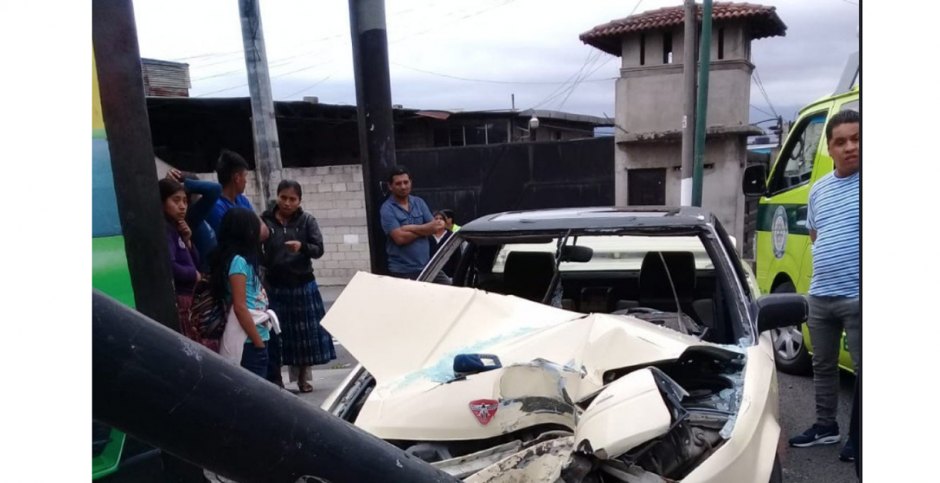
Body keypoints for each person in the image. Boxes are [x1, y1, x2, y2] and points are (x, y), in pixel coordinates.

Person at [788, 110, 860, 463]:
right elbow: (817, 237)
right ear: (829, 149)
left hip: (859, 295)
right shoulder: (819, 190)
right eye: (841, 141)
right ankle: (825, 426)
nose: (850, 147)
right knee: (823, 365)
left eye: (857, 139)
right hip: (821, 293)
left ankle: (861, 438)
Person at [261, 180, 335, 393]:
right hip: (274, 286)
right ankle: (276, 379)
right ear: (277, 197)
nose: (287, 203)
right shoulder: (265, 221)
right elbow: (257, 247)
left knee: (304, 336)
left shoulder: (307, 221)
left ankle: (302, 379)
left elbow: (318, 249)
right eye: (283, 197)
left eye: (292, 199)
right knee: (275, 335)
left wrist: (302, 247)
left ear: (299, 201)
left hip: (302, 284)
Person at [209, 207, 273, 378]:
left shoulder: (242, 259)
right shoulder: (238, 262)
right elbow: (240, 307)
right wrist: (259, 343)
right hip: (249, 340)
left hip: (256, 335)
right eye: (253, 227)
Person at [379, 166, 446, 280]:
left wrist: (411, 227)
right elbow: (400, 238)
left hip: (427, 267)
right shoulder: (387, 209)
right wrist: (425, 229)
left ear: (411, 182)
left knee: (451, 288)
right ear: (390, 186)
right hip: (403, 272)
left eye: (406, 182)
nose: (403, 186)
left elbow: (435, 227)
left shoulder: (419, 202)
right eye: (398, 183)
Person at [159, 178, 203, 342]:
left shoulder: (175, 228)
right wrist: (193, 275)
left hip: (189, 300)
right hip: (181, 301)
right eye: (175, 200)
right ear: (162, 202)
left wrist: (187, 241)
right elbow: (169, 266)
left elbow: (195, 262)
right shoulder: (165, 229)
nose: (182, 206)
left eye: (185, 201)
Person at [206, 149, 269, 242]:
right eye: (245, 176)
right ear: (237, 178)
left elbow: (264, 230)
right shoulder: (216, 206)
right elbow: (233, 241)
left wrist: (247, 237)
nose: (246, 181)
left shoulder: (242, 200)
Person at [166, 169, 221, 272]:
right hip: (207, 272)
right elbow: (215, 189)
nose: (200, 195)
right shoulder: (190, 216)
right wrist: (184, 185)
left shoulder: (195, 214)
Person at [430, 210, 458, 278]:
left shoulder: (452, 237)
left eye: (441, 219)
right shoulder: (428, 238)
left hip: (448, 276)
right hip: (430, 275)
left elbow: (457, 258)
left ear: (446, 222)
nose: (439, 221)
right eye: (436, 219)